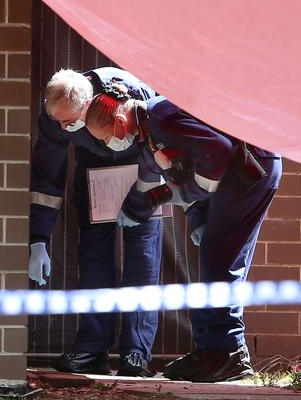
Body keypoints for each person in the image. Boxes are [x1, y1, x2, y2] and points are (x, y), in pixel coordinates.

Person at [84, 87, 282, 383]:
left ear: (121, 123)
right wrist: (142, 209)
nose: (110, 143)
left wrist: (185, 193)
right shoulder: (150, 129)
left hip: (249, 171)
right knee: (213, 261)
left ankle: (228, 353)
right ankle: (209, 350)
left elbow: (217, 154)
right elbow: (153, 183)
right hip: (243, 172)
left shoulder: (161, 117)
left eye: (106, 137)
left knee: (221, 264)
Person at [29, 67, 164, 377]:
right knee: (93, 262)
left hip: (141, 173)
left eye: (70, 122)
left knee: (142, 261)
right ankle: (92, 348)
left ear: (90, 105)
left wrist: (144, 200)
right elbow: (48, 171)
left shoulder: (132, 92)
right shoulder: (55, 111)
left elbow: (160, 145)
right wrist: (39, 238)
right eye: (60, 122)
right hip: (94, 178)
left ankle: (135, 354)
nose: (64, 126)